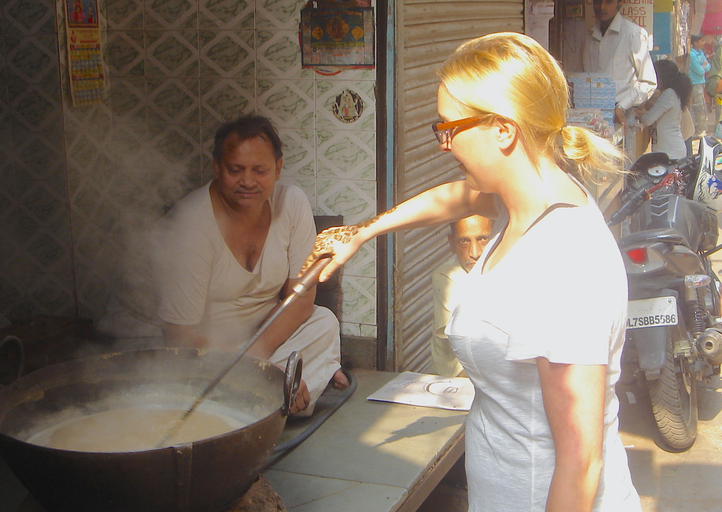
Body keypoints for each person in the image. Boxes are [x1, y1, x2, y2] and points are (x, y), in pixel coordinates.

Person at [302, 33, 641, 511]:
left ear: (503, 129)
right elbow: (456, 198)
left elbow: (581, 463)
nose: (443, 144)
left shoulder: (566, 260)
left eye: (448, 128)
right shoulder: (525, 200)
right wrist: (361, 232)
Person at [153, 115, 348, 415]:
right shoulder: (191, 224)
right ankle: (280, 394)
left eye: (260, 170)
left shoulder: (292, 203)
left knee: (323, 323)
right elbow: (179, 335)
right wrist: (262, 369)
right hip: (210, 349)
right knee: (191, 372)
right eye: (235, 170)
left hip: (265, 337)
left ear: (278, 169)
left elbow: (301, 298)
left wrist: (261, 363)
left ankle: (262, 397)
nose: (247, 181)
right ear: (217, 167)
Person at [582, 0, 656, 159]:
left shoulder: (633, 34)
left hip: (621, 118)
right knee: (596, 171)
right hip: (591, 118)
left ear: (619, 3)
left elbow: (648, 82)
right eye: (598, 2)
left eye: (608, 2)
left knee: (619, 170)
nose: (601, 7)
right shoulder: (589, 35)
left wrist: (622, 106)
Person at [430, 215, 493, 377]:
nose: (475, 253)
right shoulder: (447, 277)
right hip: (459, 375)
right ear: (451, 243)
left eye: (483, 239)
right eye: (464, 241)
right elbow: (465, 343)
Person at [635, 59, 693, 160]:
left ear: (660, 79)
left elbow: (647, 119)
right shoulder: (672, 93)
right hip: (669, 149)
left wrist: (634, 114)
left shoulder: (669, 94)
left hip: (670, 151)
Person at [689, 34, 711, 137]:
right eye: (702, 41)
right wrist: (703, 66)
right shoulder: (692, 55)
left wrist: (703, 66)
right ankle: (700, 129)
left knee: (699, 106)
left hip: (700, 83)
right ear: (695, 43)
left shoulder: (700, 53)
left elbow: (708, 67)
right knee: (698, 107)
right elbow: (700, 71)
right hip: (694, 83)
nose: (704, 43)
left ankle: (699, 128)